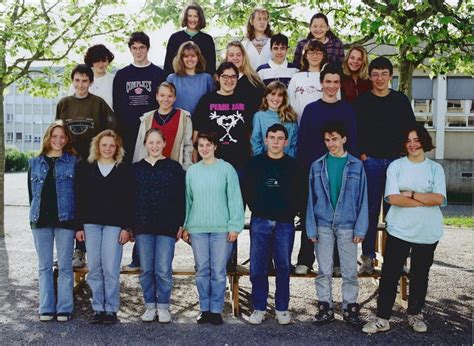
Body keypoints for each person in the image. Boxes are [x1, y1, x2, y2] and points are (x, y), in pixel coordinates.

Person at [363, 124, 446, 334]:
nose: (412, 144)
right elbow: (393, 198)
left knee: (420, 275)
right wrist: (422, 198)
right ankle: (382, 318)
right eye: (408, 141)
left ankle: (415, 315)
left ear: (424, 142)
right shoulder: (396, 166)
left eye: (416, 140)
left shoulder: (435, 169)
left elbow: (438, 198)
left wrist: (410, 194)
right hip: (400, 230)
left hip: (427, 232)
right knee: (390, 274)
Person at [294, 64, 359, 276]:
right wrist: (305, 170)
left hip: (340, 170)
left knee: (339, 217)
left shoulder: (346, 109)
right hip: (314, 170)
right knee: (310, 216)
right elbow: (302, 142)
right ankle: (305, 259)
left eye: (335, 82)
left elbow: (353, 142)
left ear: (340, 84)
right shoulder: (311, 110)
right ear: (321, 83)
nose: (331, 86)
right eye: (328, 81)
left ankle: (338, 262)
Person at [355, 57, 416, 274]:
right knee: (370, 211)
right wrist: (362, 155)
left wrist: (407, 157)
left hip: (396, 163)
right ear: (370, 77)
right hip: (370, 161)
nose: (379, 78)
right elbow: (355, 132)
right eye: (375, 74)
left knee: (396, 213)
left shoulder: (400, 100)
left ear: (391, 76)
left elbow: (411, 130)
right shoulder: (363, 102)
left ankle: (397, 260)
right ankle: (368, 258)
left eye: (384, 74)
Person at [306, 122, 368, 326]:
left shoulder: (356, 165)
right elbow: (311, 199)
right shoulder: (317, 165)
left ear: (344, 139)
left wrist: (361, 228)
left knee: (349, 270)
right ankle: (325, 307)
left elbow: (363, 199)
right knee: (324, 269)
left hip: (347, 225)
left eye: (334, 139)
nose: (331, 143)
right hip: (323, 224)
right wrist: (311, 227)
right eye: (327, 140)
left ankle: (350, 308)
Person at [56, 63, 116, 268]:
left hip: (91, 163)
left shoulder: (98, 104)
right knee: (66, 203)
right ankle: (67, 250)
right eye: (77, 80)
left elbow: (111, 131)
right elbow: (57, 133)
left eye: (85, 81)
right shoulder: (64, 104)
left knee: (85, 204)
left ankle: (81, 250)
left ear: (91, 82)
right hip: (68, 161)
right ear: (72, 82)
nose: (81, 85)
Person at [244, 124, 305, 325]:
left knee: (283, 266)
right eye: (272, 137)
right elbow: (247, 191)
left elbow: (300, 195)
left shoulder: (294, 166)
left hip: (284, 223)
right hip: (260, 220)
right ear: (266, 140)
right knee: (257, 268)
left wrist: (292, 212)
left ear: (286, 142)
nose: (276, 141)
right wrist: (257, 208)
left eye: (280, 138)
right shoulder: (255, 164)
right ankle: (259, 307)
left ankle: (281, 307)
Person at [183, 132, 244, 325]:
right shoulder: (192, 171)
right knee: (202, 270)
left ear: (215, 146)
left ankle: (216, 310)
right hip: (197, 228)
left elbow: (235, 198)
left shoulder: (227, 169)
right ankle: (204, 309)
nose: (204, 148)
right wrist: (185, 226)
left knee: (218, 271)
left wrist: (235, 226)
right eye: (200, 145)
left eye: (208, 144)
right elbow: (187, 201)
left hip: (221, 229)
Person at [75, 130, 133, 324]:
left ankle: (111, 309)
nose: (108, 148)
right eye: (104, 145)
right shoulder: (86, 167)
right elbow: (79, 198)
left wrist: (127, 227)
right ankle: (98, 308)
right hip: (90, 224)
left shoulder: (123, 169)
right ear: (97, 146)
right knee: (95, 267)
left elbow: (128, 200)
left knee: (110, 267)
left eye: (112, 145)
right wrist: (79, 226)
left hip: (114, 225)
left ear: (117, 148)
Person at [133, 128, 185, 323]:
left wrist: (180, 223)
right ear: (145, 144)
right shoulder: (136, 169)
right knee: (147, 269)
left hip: (167, 225)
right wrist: (131, 226)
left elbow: (181, 198)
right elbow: (131, 199)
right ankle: (149, 306)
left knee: (163, 269)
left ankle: (163, 306)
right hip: (143, 225)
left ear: (164, 144)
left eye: (158, 142)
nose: (154, 146)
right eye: (150, 142)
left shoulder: (174, 168)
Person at [28, 121, 78, 322]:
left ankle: (64, 308)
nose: (58, 140)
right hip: (40, 220)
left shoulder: (73, 161)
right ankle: (46, 307)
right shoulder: (35, 162)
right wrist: (33, 217)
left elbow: (78, 194)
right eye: (54, 136)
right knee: (44, 266)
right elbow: (31, 195)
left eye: (62, 137)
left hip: (65, 219)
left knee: (65, 266)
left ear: (66, 140)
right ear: (48, 137)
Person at [113, 31, 165, 164]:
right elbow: (117, 106)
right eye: (134, 48)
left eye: (142, 47)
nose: (138, 51)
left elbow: (165, 103)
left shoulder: (159, 74)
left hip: (152, 130)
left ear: (147, 48)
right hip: (128, 131)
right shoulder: (122, 75)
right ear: (130, 49)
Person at [193, 62, 253, 174]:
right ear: (217, 77)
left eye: (233, 77)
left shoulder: (245, 100)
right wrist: (194, 156)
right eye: (225, 76)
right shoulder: (207, 100)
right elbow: (196, 131)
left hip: (239, 161)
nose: (229, 80)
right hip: (212, 161)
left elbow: (250, 131)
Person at [133, 82, 193, 170]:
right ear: (157, 96)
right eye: (162, 95)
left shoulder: (183, 117)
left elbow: (188, 146)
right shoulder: (146, 119)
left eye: (170, 96)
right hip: (151, 170)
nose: (166, 99)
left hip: (174, 170)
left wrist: (186, 168)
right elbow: (140, 147)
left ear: (174, 98)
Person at [164, 3, 216, 76]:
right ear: (186, 17)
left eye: (196, 16)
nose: (192, 19)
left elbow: (211, 67)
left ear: (200, 18)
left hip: (200, 82)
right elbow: (168, 66)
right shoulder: (175, 38)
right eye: (190, 16)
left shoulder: (207, 40)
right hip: (179, 81)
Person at [251, 81, 298, 157]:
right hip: (265, 162)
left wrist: (289, 161)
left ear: (284, 98)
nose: (276, 98)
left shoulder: (290, 116)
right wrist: (261, 160)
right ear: (266, 96)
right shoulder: (259, 116)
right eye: (273, 94)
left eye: (280, 95)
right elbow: (256, 142)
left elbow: (294, 143)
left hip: (286, 162)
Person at [166, 41, 214, 115]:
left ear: (198, 58)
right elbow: (166, 103)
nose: (190, 59)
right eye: (186, 56)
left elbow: (212, 104)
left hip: (201, 122)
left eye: (193, 56)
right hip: (179, 122)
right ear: (181, 58)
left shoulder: (207, 78)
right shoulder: (172, 78)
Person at [288, 40, 329, 123]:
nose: (314, 56)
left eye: (318, 53)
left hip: (325, 125)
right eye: (311, 53)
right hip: (300, 125)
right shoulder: (297, 77)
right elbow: (289, 101)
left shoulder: (329, 77)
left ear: (323, 55)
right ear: (305, 55)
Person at [225, 40, 265, 117]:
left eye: (238, 55)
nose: (235, 58)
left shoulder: (254, 80)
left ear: (244, 57)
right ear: (227, 57)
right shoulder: (219, 80)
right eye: (231, 55)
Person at [83, 44, 115, 109]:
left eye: (104, 60)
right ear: (91, 61)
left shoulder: (115, 80)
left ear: (108, 61)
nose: (101, 64)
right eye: (97, 60)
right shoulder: (80, 80)